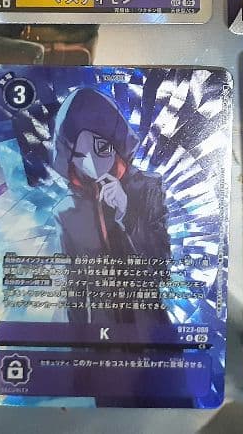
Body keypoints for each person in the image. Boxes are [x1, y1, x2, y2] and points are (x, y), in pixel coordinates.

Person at [51, 88, 170, 326]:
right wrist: (76, 341)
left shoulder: (147, 188)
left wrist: (126, 212)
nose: (93, 164)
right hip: (100, 329)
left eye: (101, 147)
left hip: (149, 325)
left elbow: (161, 264)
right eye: (80, 155)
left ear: (117, 142)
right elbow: (73, 290)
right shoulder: (66, 211)